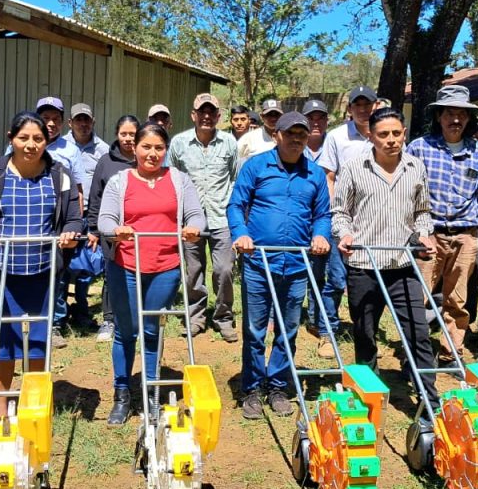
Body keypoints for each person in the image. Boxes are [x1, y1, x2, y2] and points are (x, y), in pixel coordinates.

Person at [0, 111, 81, 421]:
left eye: (38, 139)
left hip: (43, 274)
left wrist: (70, 234)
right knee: (4, 340)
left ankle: (35, 401)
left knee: (39, 341)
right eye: (24, 138)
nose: (31, 144)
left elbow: (73, 217)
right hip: (3, 274)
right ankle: (0, 406)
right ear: (11, 138)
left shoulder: (60, 175)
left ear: (48, 140)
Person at [332, 108, 439, 417]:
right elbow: (340, 212)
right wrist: (345, 234)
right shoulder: (353, 168)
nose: (391, 140)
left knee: (418, 333)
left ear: (404, 133)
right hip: (364, 265)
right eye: (383, 135)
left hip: (402, 266)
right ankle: (367, 394)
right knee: (365, 335)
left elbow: (422, 212)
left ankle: (429, 401)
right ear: (371, 137)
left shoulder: (415, 167)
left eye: (396, 133)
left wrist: (424, 235)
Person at [97, 123, 205, 426]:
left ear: (165, 150)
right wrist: (115, 229)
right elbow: (105, 218)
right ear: (136, 148)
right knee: (126, 331)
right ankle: (122, 393)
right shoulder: (120, 181)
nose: (152, 153)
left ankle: (151, 394)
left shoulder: (179, 180)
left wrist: (194, 227)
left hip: (165, 268)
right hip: (126, 266)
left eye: (159, 148)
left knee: (152, 329)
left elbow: (196, 214)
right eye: (147, 147)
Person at [229, 112, 330, 419]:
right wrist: (241, 233)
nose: (297, 139)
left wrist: (320, 235)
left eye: (302, 134)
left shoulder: (314, 174)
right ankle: (252, 389)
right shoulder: (256, 167)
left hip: (297, 264)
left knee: (287, 330)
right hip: (259, 263)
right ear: (277, 135)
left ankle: (278, 386)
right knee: (255, 329)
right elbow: (236, 204)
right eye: (291, 133)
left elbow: (322, 214)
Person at [406, 85, 478, 362]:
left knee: (458, 299)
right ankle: (412, 351)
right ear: (439, 116)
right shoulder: (419, 148)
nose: (456, 120)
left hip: (466, 235)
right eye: (449, 113)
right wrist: (418, 232)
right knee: (417, 296)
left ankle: (451, 350)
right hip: (429, 235)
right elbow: (408, 193)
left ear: (469, 119)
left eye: (461, 114)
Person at [314, 85, 378, 358]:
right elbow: (328, 177)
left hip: (377, 221)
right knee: (337, 278)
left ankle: (368, 332)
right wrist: (335, 214)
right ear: (350, 109)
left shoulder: (385, 134)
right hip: (344, 221)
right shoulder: (337, 137)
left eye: (367, 104)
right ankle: (327, 332)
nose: (363, 109)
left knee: (371, 278)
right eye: (357, 105)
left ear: (375, 106)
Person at [169, 93, 239, 342]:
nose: (206, 116)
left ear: (219, 117)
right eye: (202, 112)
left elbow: (234, 177)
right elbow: (172, 178)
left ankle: (224, 317)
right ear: (193, 115)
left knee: (224, 269)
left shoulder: (229, 143)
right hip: (190, 219)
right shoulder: (178, 143)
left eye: (212, 112)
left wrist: (232, 207)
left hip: (222, 216)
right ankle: (195, 317)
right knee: (193, 270)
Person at [35, 96, 85, 347]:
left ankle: (55, 324)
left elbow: (78, 189)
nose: (51, 123)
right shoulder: (24, 143)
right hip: (31, 219)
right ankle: (31, 321)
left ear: (64, 123)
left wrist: (76, 221)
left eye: (55, 119)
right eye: (46, 118)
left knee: (58, 272)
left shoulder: (70, 150)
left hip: (60, 220)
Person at [87, 115, 140, 342]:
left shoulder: (145, 158)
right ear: (117, 135)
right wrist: (93, 228)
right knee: (112, 275)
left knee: (138, 275)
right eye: (124, 134)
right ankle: (109, 320)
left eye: (133, 134)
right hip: (112, 229)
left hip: (140, 229)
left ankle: (136, 320)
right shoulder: (106, 161)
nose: (128, 139)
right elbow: (95, 196)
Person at [67, 102, 108, 321]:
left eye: (87, 120)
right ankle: (60, 313)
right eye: (78, 120)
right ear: (70, 123)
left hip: (91, 214)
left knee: (87, 263)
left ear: (93, 122)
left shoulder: (103, 150)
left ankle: (82, 306)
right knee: (63, 263)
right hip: (65, 215)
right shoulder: (60, 146)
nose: (83, 124)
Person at [236, 99, 282, 166]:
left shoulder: (288, 137)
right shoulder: (249, 138)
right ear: (262, 116)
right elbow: (235, 160)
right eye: (269, 115)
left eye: (276, 115)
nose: (273, 118)